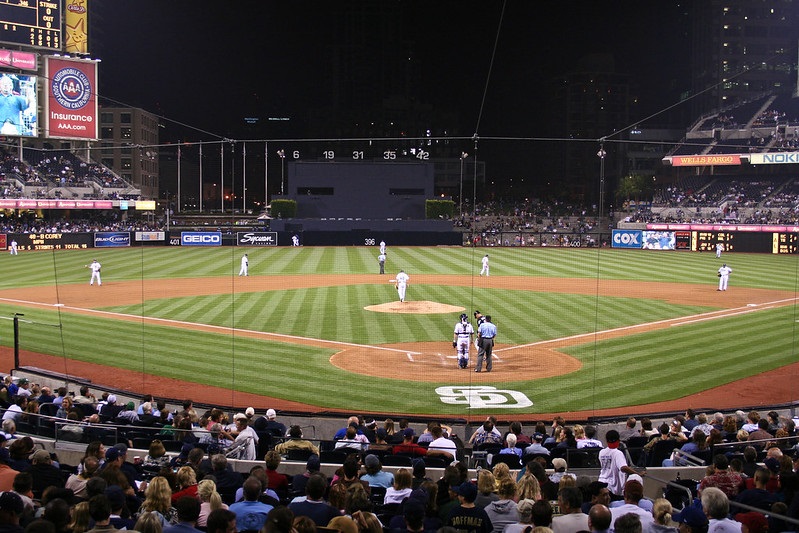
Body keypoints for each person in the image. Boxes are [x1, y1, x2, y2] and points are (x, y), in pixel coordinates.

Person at [598, 430, 639, 498]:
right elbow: (623, 468)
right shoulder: (618, 453)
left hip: (601, 482)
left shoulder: (601, 452)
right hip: (612, 487)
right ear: (618, 440)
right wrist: (637, 474)